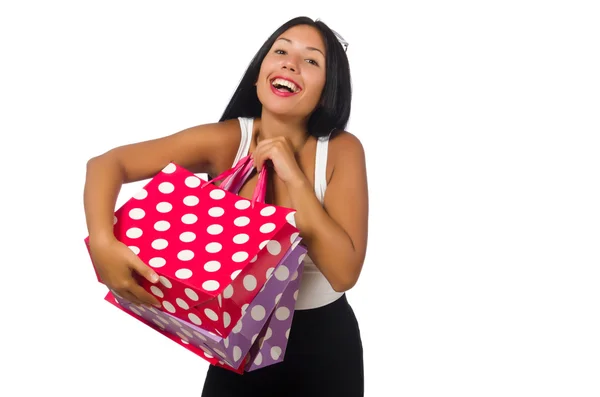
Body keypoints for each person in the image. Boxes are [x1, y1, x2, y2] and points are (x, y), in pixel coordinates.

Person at [83, 16, 368, 397]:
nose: (289, 63)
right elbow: (106, 164)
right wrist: (103, 243)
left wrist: (295, 180)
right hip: (237, 339)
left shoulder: (342, 151)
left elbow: (344, 274)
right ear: (258, 75)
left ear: (327, 91)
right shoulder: (228, 140)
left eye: (311, 60)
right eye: (280, 51)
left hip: (324, 345)